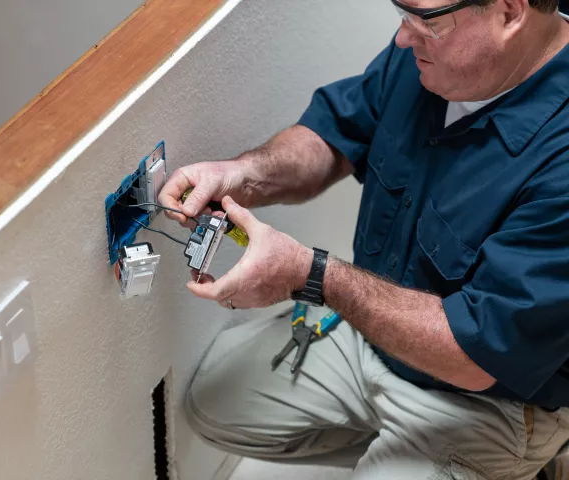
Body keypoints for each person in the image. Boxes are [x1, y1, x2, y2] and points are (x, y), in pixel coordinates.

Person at [158, 0, 569, 478]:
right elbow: (336, 134)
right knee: (213, 403)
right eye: (404, 15)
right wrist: (242, 174)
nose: (402, 38)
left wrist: (310, 276)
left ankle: (514, 464)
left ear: (510, 12)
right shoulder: (430, 54)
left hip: (486, 399)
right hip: (375, 340)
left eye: (425, 22)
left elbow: (477, 355)